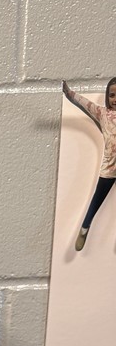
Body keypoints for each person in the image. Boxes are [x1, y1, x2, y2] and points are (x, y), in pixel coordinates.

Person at [62, 79, 116, 251]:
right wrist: (69, 93)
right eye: (112, 95)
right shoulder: (102, 113)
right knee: (96, 201)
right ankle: (85, 228)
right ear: (108, 97)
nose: (115, 99)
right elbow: (85, 104)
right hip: (109, 169)